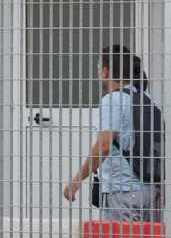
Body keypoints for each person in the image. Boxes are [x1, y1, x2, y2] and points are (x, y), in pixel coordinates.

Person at [62, 46, 159, 223]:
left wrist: (76, 180)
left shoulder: (113, 100)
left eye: (99, 68)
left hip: (123, 191)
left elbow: (103, 146)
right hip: (151, 192)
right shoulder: (149, 101)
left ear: (106, 72)